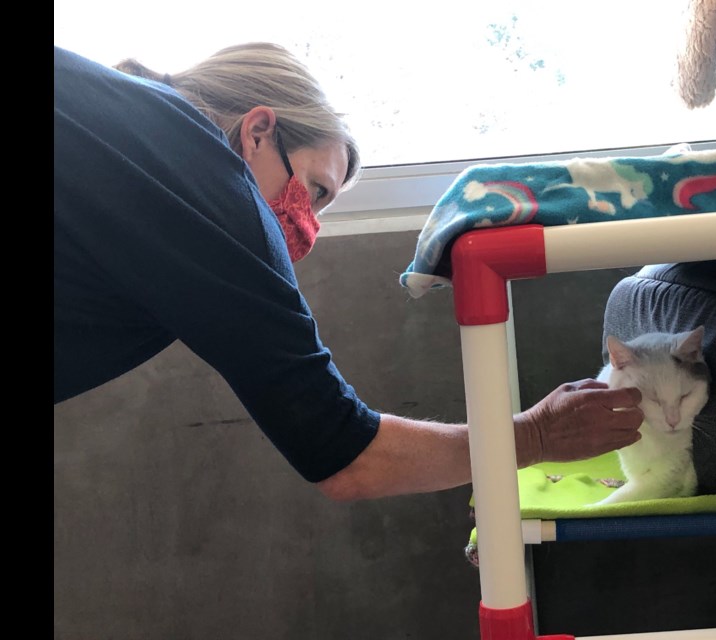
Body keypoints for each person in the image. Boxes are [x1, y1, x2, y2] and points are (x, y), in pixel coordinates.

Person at [53, 43, 644, 501]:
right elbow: (348, 457)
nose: (305, 224)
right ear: (258, 131)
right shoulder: (219, 193)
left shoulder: (110, 109)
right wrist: (533, 436)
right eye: (313, 189)